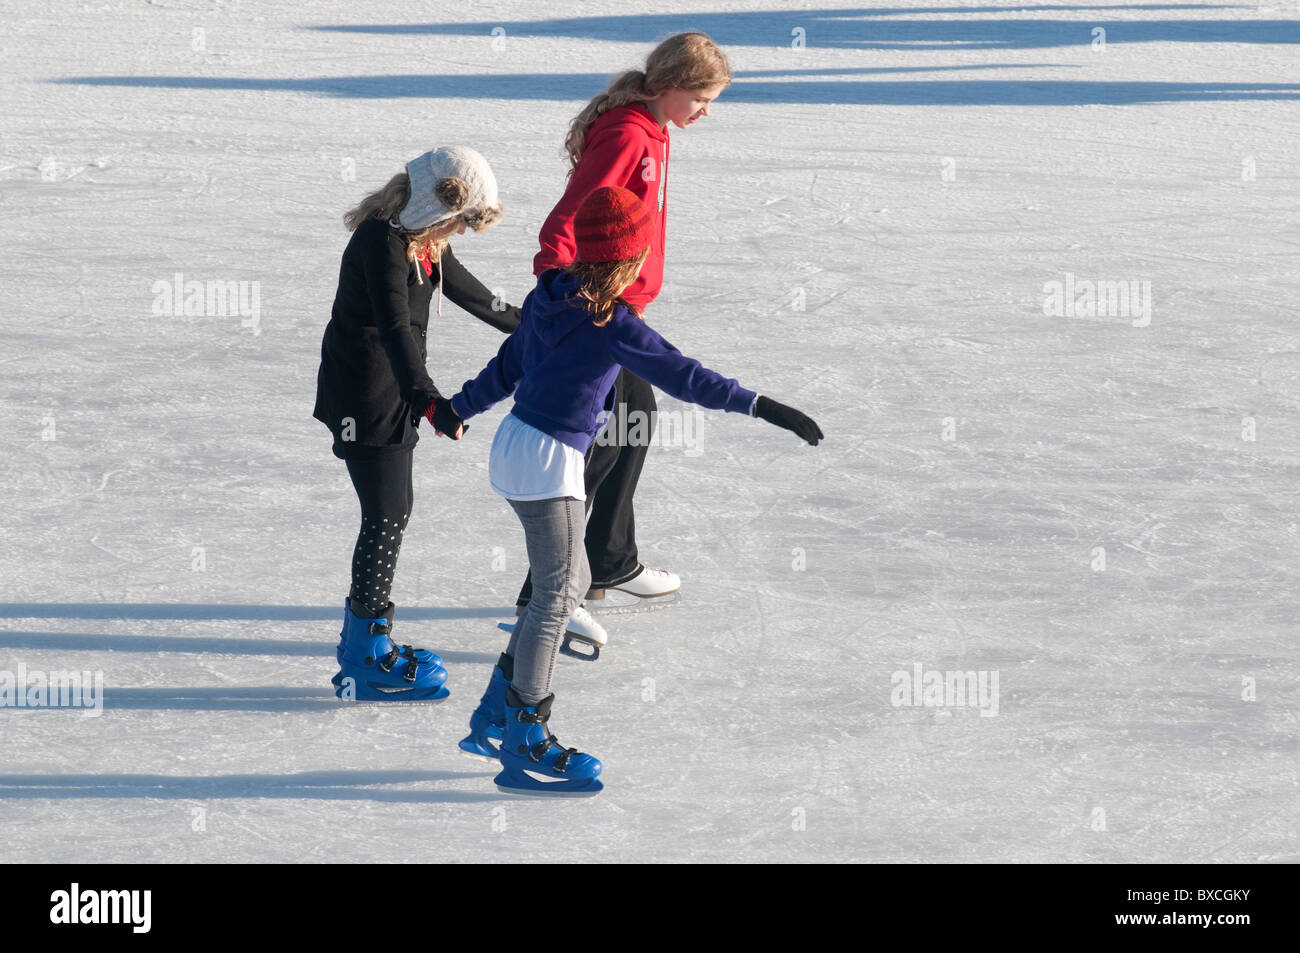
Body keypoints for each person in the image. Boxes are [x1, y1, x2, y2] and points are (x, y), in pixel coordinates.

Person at [437, 187, 822, 794]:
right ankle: (525, 734)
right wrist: (763, 407)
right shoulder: (611, 322)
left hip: (514, 446)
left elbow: (509, 363)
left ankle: (493, 714)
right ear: (629, 260)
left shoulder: (551, 293)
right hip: (548, 459)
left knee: (564, 578)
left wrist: (459, 407)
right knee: (556, 597)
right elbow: (685, 376)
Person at [516, 32, 734, 656]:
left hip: (619, 301)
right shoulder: (628, 134)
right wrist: (558, 290)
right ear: (667, 86)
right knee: (606, 436)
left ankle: (609, 560)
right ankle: (551, 591)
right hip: (595, 304)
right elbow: (567, 219)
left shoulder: (654, 128)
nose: (705, 110)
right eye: (700, 96)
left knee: (633, 420)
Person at [313, 145, 520, 701]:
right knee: (386, 514)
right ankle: (364, 655)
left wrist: (541, 328)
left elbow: (479, 298)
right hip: (367, 395)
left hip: (394, 389)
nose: (457, 234)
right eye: (458, 222)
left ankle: (365, 645)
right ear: (437, 208)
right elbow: (395, 328)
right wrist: (431, 403)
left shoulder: (418, 240)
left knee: (391, 512)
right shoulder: (381, 242)